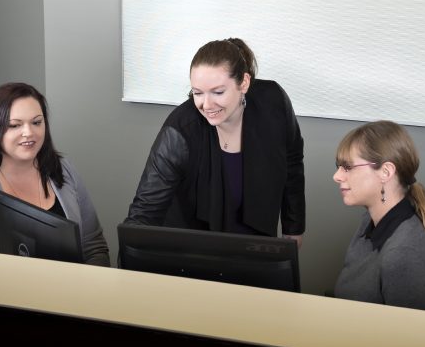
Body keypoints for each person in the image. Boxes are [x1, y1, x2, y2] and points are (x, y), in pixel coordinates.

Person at [125, 38, 305, 242]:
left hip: (256, 244)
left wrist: (294, 227)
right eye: (197, 93)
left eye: (218, 92)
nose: (207, 105)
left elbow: (292, 163)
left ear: (244, 83)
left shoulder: (273, 102)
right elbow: (144, 211)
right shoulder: (180, 130)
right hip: (193, 250)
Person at [0, 82, 110, 266]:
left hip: (69, 290)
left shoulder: (63, 169)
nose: (29, 132)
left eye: (36, 122)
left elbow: (93, 246)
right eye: (15, 125)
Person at [332, 120, 425, 311]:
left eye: (348, 167)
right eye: (339, 166)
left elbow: (411, 340)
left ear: (386, 172)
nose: (337, 176)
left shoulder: (404, 257)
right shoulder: (371, 220)